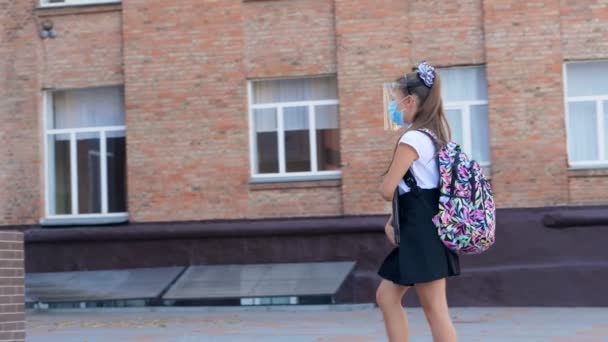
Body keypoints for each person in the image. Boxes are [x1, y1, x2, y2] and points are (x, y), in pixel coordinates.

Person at [376, 62, 460, 342]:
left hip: (422, 233)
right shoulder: (434, 136)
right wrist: (393, 220)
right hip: (421, 230)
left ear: (410, 100)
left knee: (435, 309)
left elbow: (388, 189)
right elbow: (419, 187)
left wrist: (383, 181)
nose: (394, 107)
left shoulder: (412, 138)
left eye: (396, 100)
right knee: (387, 296)